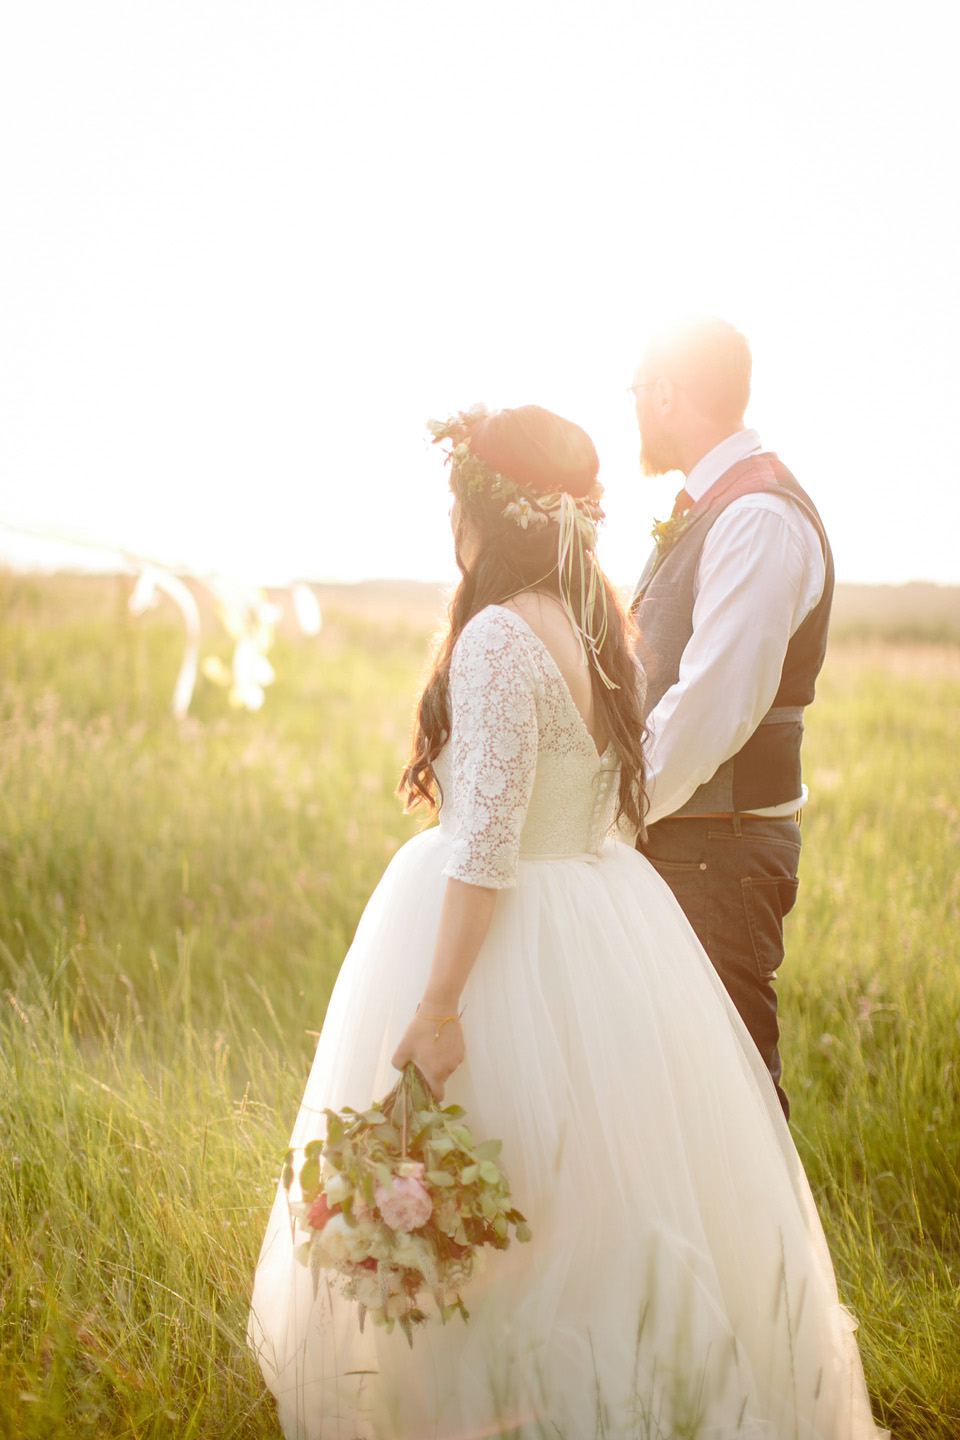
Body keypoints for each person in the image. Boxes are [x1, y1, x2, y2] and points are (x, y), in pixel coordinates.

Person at [248, 404, 883, 1438]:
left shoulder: (500, 635)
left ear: (484, 512)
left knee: (492, 1171)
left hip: (507, 930)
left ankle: (493, 1403)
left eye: (455, 501)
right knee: (581, 1187)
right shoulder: (599, 631)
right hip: (602, 917)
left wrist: (441, 1004)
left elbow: (486, 839)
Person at [631, 317, 833, 1120]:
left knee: (732, 1103)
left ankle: (772, 1253)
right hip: (695, 838)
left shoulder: (758, 516)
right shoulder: (718, 504)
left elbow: (714, 704)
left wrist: (613, 810)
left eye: (636, 392)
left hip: (719, 846)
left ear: (666, 392)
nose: (634, 412)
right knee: (677, 1099)